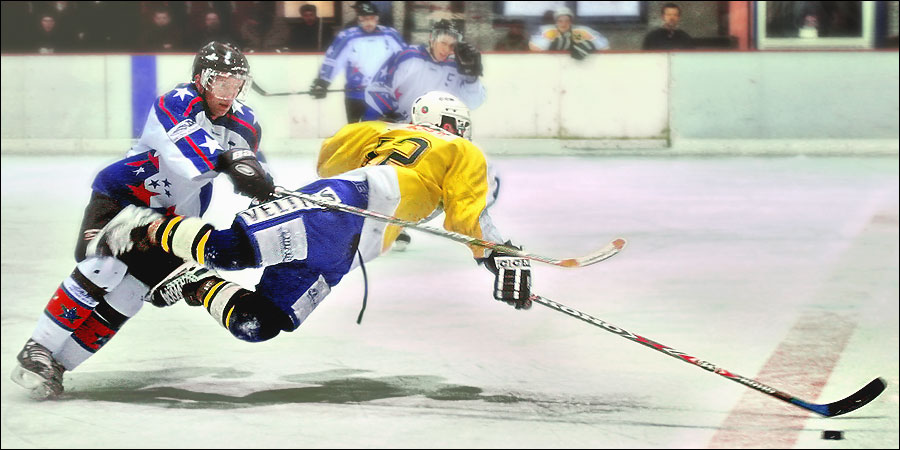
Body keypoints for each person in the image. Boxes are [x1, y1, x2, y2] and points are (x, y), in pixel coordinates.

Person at [90, 91, 533, 345]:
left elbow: (328, 160)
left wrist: (381, 141)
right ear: (452, 124)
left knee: (259, 324)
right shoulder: (465, 151)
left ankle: (195, 282)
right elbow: (467, 216)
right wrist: (499, 254)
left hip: (353, 234)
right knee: (229, 251)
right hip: (348, 205)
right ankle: (138, 224)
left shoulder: (382, 130)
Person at [10, 41, 275, 400]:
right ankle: (37, 348)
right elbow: (190, 152)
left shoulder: (245, 121)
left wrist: (260, 181)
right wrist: (233, 161)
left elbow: (248, 163)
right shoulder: (176, 102)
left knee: (131, 294)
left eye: (235, 84)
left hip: (175, 218)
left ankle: (58, 365)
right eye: (220, 82)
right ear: (200, 78)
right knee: (104, 267)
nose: (228, 93)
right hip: (123, 197)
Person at [363, 19, 485, 122]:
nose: (446, 49)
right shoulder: (409, 56)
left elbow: (472, 103)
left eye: (452, 45)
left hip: (429, 132)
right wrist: (389, 112)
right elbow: (377, 88)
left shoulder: (457, 66)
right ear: (432, 38)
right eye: (443, 43)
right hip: (392, 126)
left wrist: (471, 78)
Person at [309, 1, 406, 123]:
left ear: (377, 18)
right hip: (355, 94)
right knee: (355, 132)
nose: (368, 23)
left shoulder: (390, 35)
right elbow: (333, 60)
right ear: (359, 19)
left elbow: (405, 58)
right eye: (364, 19)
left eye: (371, 18)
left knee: (380, 132)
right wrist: (322, 82)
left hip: (382, 95)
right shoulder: (347, 36)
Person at [529, 6, 609, 60]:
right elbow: (533, 46)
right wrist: (550, 47)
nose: (563, 24)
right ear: (555, 21)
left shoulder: (579, 31)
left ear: (571, 21)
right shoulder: (548, 31)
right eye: (560, 21)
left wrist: (590, 47)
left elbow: (605, 47)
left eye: (567, 21)